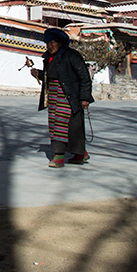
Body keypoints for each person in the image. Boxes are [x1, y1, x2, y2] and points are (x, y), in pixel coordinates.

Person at [30, 27, 94, 168]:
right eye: (48, 42)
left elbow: (84, 77)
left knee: (64, 125)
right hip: (53, 95)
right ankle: (80, 154)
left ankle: (59, 156)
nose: (50, 45)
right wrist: (38, 74)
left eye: (53, 42)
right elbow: (51, 75)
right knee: (58, 124)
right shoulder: (48, 57)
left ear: (61, 43)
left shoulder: (72, 55)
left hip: (69, 95)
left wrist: (85, 97)